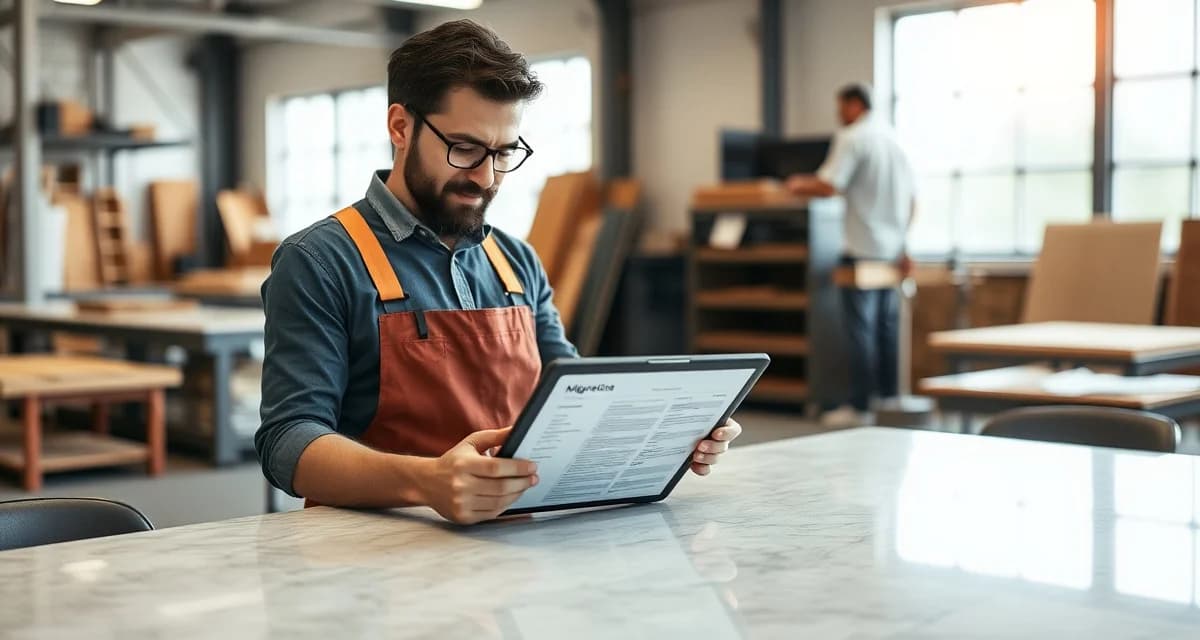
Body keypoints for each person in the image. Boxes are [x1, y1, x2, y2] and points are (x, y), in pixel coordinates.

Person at [256, 20, 741, 524]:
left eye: (504, 153)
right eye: (464, 149)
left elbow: (571, 398)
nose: (486, 177)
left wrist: (666, 435)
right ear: (400, 127)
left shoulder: (517, 262)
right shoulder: (319, 261)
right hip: (379, 556)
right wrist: (424, 481)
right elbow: (289, 442)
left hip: (518, 548)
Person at [785, 83, 917, 426]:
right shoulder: (895, 140)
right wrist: (905, 245)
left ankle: (860, 407)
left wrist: (796, 184)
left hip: (860, 249)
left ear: (856, 105)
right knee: (886, 330)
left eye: (841, 106)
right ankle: (888, 401)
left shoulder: (854, 137)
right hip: (890, 252)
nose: (838, 114)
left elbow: (830, 184)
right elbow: (914, 201)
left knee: (861, 332)